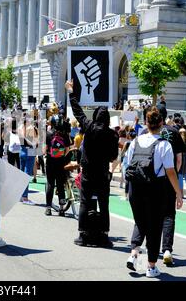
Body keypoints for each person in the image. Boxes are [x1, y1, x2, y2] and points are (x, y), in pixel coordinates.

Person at [125, 108, 183, 278]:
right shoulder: (164, 144)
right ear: (161, 123)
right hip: (155, 189)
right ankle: (150, 266)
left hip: (135, 187)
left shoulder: (136, 141)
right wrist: (178, 193)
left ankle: (134, 253)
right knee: (155, 227)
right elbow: (170, 171)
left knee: (140, 221)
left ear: (146, 123)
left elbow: (128, 164)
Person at [65, 80, 119, 247]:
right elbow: (113, 156)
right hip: (103, 172)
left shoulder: (88, 127)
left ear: (95, 116)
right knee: (104, 204)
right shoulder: (112, 135)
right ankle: (104, 235)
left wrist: (71, 92)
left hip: (88, 172)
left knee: (85, 201)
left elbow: (78, 111)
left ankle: (83, 234)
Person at [138, 104, 185, 266]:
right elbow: (178, 159)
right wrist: (174, 179)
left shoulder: (145, 132)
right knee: (169, 214)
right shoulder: (173, 132)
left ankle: (144, 250)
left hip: (149, 181)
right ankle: (166, 249)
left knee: (148, 215)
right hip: (169, 178)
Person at [44, 115, 72, 216]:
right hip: (61, 162)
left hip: (50, 162)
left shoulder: (48, 134)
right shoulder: (65, 135)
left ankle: (48, 208)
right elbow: (68, 149)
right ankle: (61, 209)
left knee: (50, 184)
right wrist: (62, 155)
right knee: (60, 185)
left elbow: (45, 149)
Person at [19, 114, 38, 205]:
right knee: (26, 175)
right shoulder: (31, 128)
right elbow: (35, 140)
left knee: (22, 174)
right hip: (30, 150)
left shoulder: (21, 127)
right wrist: (33, 144)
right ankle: (25, 197)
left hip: (22, 150)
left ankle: (21, 195)